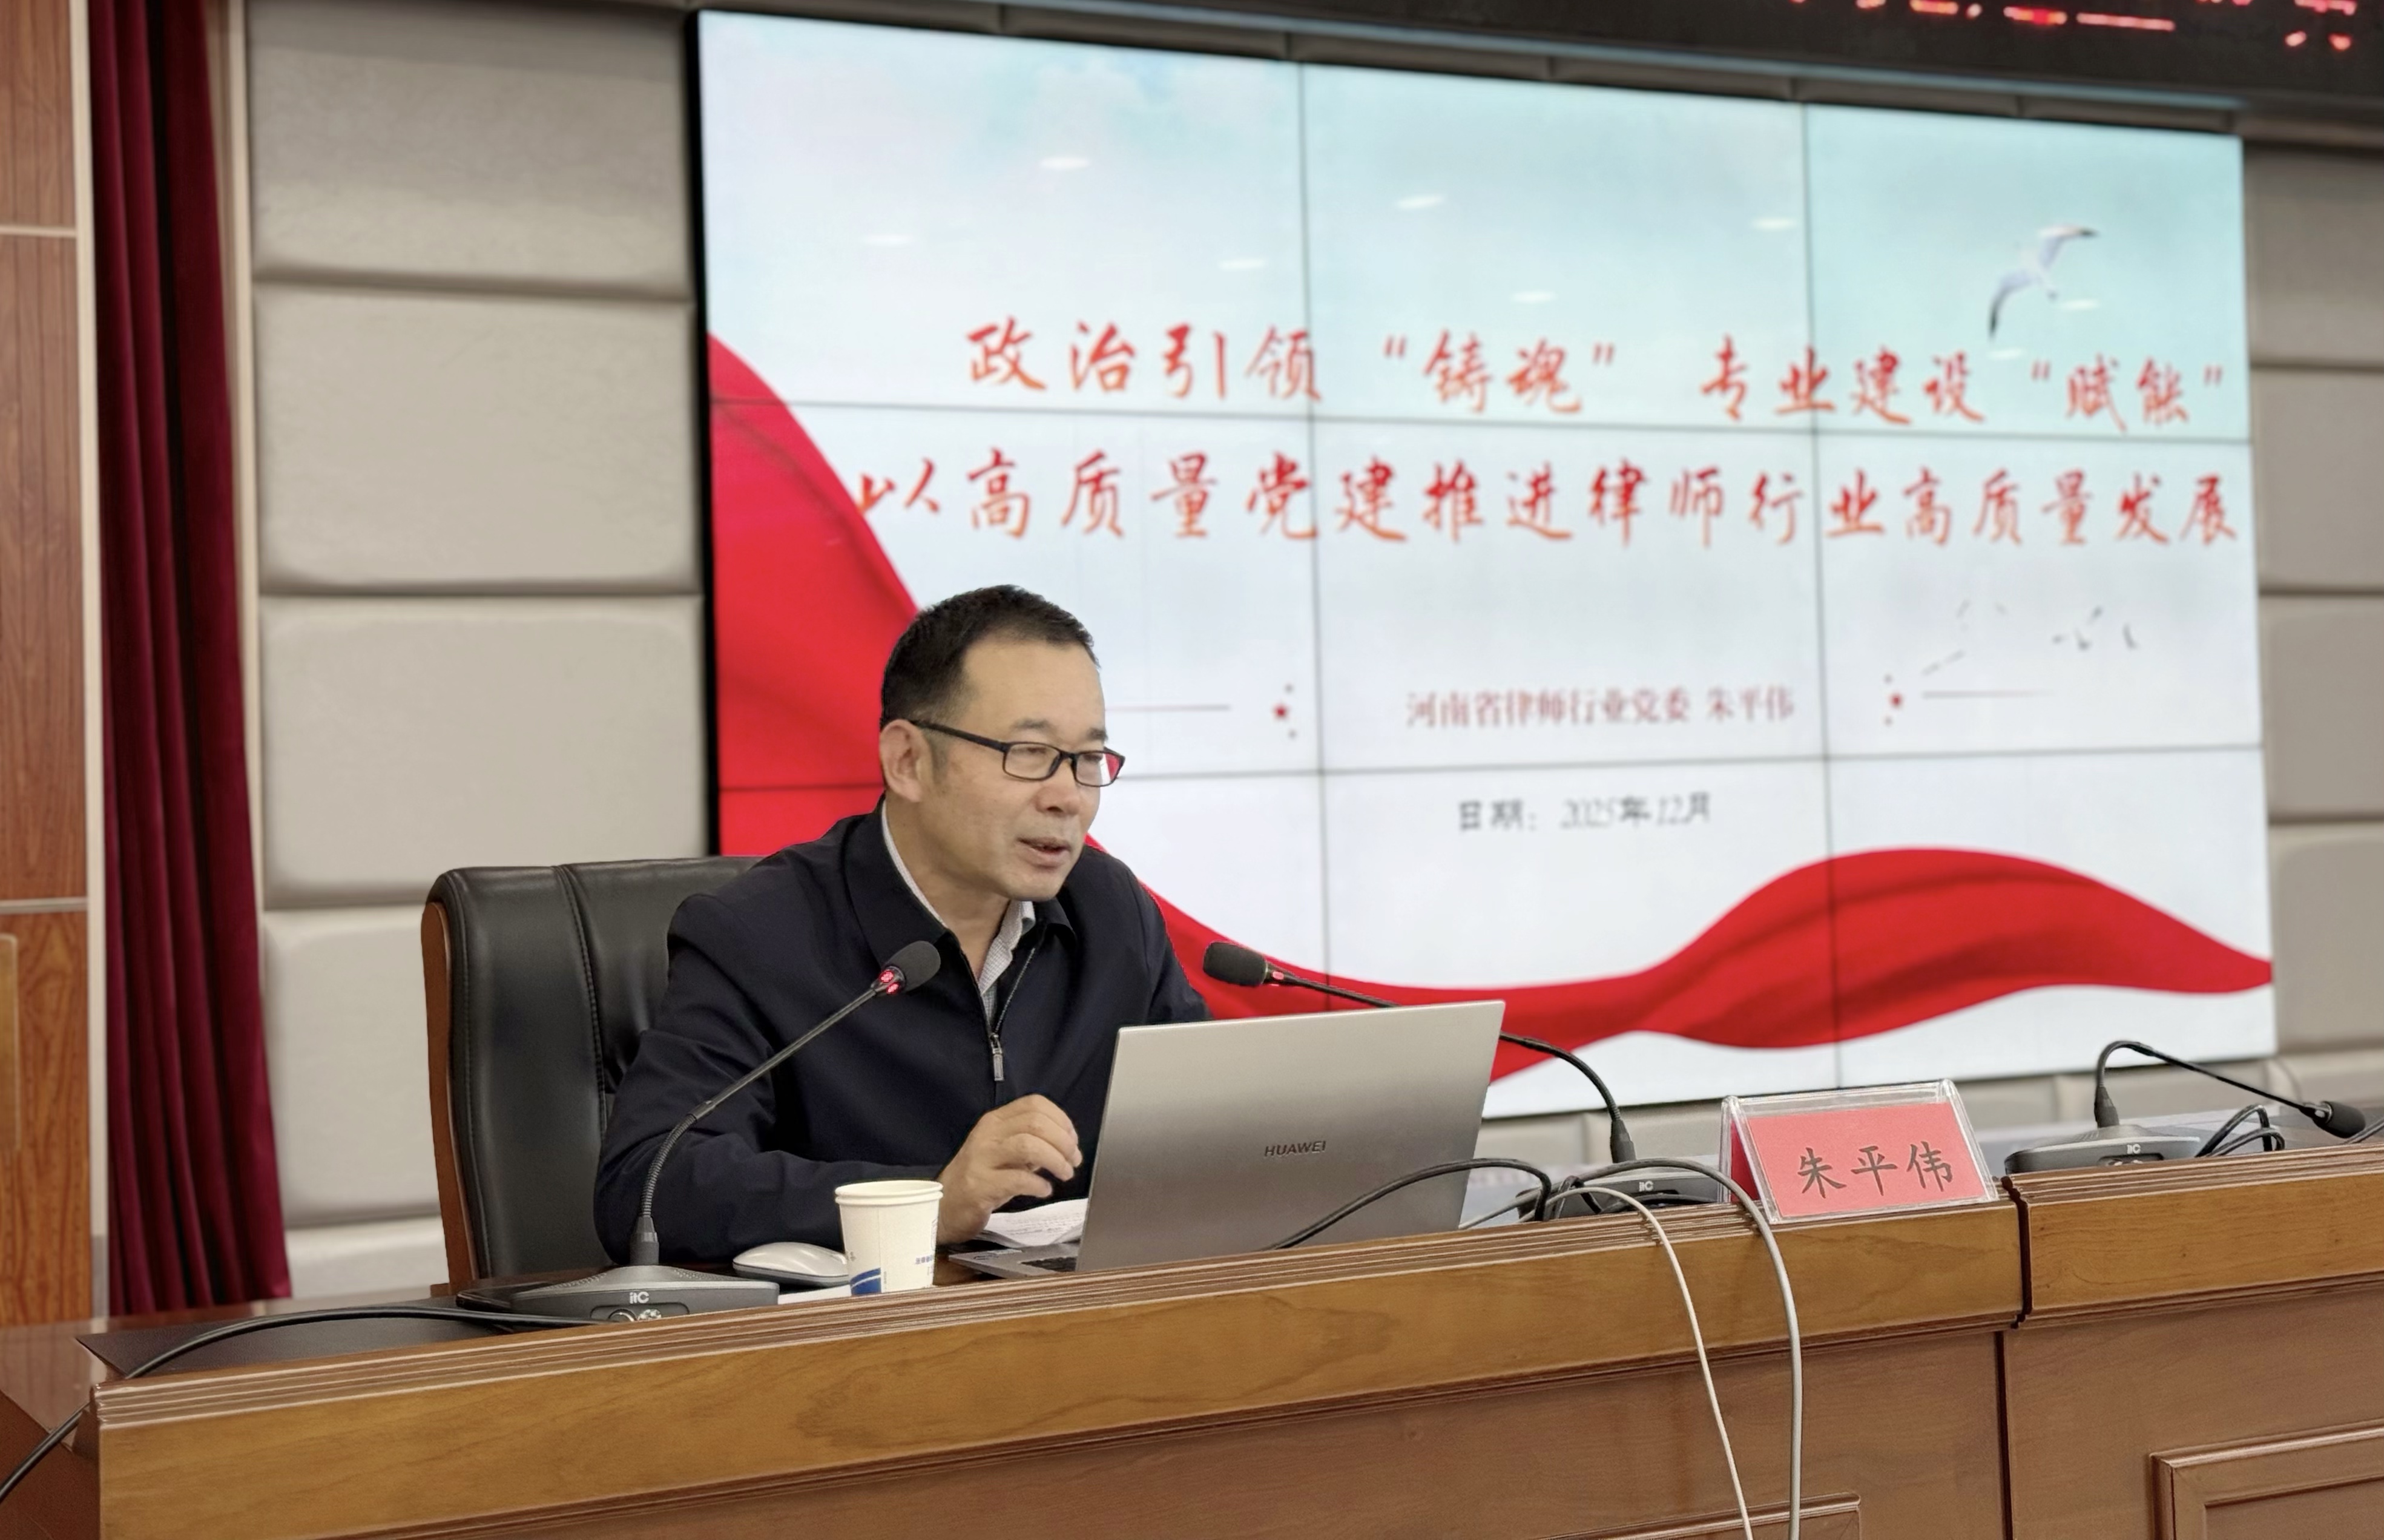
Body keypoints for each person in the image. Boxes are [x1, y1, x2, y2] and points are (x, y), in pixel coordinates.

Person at [595, 585, 1210, 1260]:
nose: (1067, 797)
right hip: (869, 1321)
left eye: (1087, 759)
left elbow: (1212, 1127)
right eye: (1029, 753)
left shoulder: (1110, 910)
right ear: (908, 761)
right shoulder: (758, 935)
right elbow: (648, 1186)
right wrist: (930, 1199)